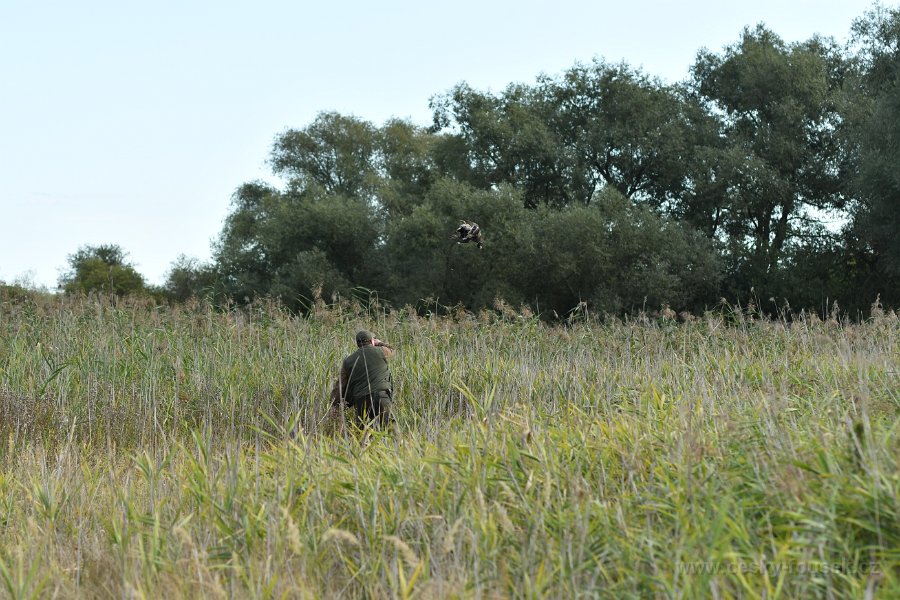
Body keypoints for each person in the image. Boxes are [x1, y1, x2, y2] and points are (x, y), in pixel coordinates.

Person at [332, 330, 396, 428]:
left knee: (363, 433)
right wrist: (379, 343)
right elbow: (392, 350)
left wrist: (335, 406)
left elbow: (340, 386)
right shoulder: (381, 351)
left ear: (358, 344)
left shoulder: (348, 361)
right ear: (372, 341)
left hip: (361, 401)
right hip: (381, 397)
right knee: (389, 429)